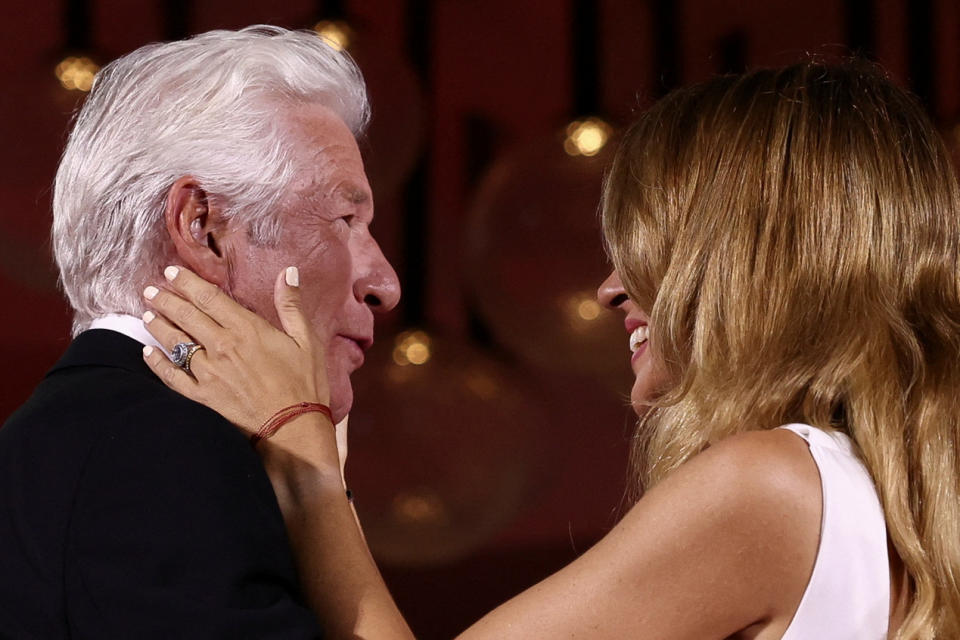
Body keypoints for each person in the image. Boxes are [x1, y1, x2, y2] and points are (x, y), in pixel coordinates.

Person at [141, 60, 960, 638]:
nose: (610, 290)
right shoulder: (888, 506)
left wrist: (304, 453)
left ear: (748, 265)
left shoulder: (772, 484)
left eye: (647, 248)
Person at [0, 26, 402, 637]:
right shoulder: (157, 446)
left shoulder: (85, 432)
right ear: (205, 228)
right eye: (345, 219)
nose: (385, 283)